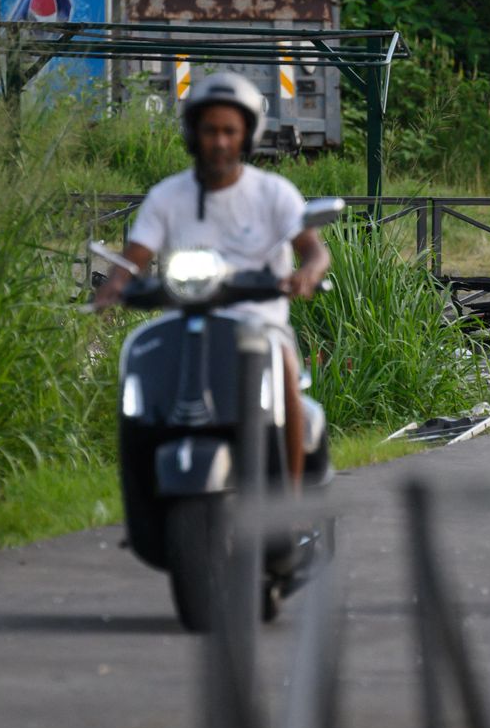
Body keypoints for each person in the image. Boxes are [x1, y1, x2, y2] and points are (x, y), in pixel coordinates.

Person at [93, 72, 330, 487]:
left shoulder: (274, 192)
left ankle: (288, 503)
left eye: (229, 131)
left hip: (262, 323)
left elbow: (313, 249)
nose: (219, 141)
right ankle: (145, 493)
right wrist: (116, 283)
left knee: (288, 372)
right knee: (142, 375)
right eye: (209, 131)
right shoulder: (167, 196)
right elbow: (135, 258)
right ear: (192, 134)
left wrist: (307, 273)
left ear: (246, 136)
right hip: (186, 321)